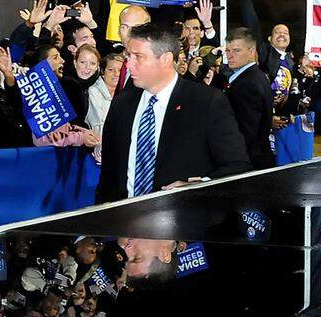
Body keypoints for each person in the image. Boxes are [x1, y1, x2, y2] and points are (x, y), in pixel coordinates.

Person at [95, 21, 252, 203]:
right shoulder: (122, 104)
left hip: (183, 222)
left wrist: (198, 186)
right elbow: (108, 175)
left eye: (138, 57)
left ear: (166, 59)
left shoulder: (206, 102)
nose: (128, 65)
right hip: (124, 223)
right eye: (128, 56)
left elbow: (237, 166)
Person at [222, 28, 275, 169]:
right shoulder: (257, 77)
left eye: (236, 50)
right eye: (227, 50)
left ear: (251, 52)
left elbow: (246, 132)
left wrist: (230, 164)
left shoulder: (247, 84)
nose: (230, 56)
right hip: (256, 159)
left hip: (248, 164)